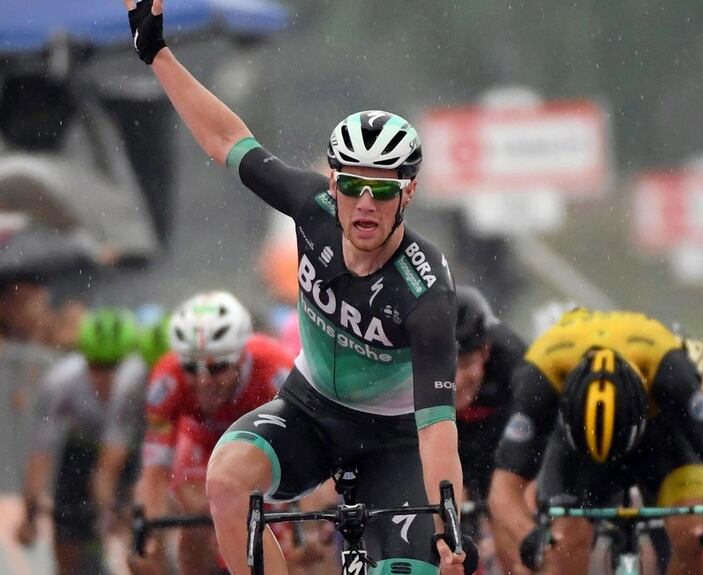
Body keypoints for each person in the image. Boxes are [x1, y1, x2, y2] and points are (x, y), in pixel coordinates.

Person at [123, 3, 470, 573]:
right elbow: (225, 139)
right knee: (227, 479)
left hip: (396, 441)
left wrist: (449, 530)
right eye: (352, 185)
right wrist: (156, 53)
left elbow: (436, 429)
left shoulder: (425, 289)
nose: (364, 204)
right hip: (311, 410)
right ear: (331, 182)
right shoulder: (309, 208)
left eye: (382, 190)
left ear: (408, 193)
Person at [488, 308, 703, 575]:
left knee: (692, 534)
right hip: (578, 449)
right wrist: (529, 537)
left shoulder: (669, 370)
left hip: (659, 436)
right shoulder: (539, 375)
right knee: (561, 548)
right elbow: (503, 491)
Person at [127, 291, 294, 575]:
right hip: (203, 446)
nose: (203, 381)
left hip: (266, 447)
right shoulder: (167, 378)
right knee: (197, 512)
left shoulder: (275, 369)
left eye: (217, 367)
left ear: (242, 357)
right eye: (192, 367)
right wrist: (150, 535)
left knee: (290, 535)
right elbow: (154, 471)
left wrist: (306, 523)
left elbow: (306, 449)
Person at [17, 308, 148, 575]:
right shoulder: (60, 381)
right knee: (68, 539)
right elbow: (40, 454)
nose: (105, 375)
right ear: (84, 358)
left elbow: (109, 469)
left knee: (138, 535)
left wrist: (113, 512)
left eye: (114, 365)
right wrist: (30, 514)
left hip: (130, 454)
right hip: (81, 451)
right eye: (96, 364)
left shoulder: (138, 380)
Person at [453, 286, 526, 573]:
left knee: (511, 534)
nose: (457, 381)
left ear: (485, 351)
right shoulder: (415, 361)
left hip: (499, 446)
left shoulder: (515, 361)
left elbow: (533, 444)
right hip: (448, 440)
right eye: (448, 366)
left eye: (466, 363)